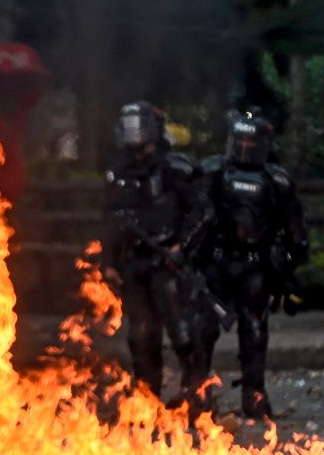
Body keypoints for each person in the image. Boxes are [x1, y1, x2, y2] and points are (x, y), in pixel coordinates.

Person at [102, 101, 213, 414]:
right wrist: (109, 262)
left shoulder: (176, 167)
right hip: (135, 264)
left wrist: (182, 248)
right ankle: (146, 397)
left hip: (168, 263)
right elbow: (110, 219)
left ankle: (197, 394)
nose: (133, 132)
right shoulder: (118, 171)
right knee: (141, 336)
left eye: (139, 124)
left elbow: (202, 212)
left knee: (183, 332)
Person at [201, 110, 309, 419]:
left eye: (252, 141)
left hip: (255, 267)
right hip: (220, 264)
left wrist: (284, 270)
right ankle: (197, 392)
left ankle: (254, 393)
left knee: (254, 330)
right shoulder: (216, 173)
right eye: (242, 140)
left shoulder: (275, 181)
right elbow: (197, 217)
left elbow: (296, 234)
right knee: (204, 328)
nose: (246, 148)